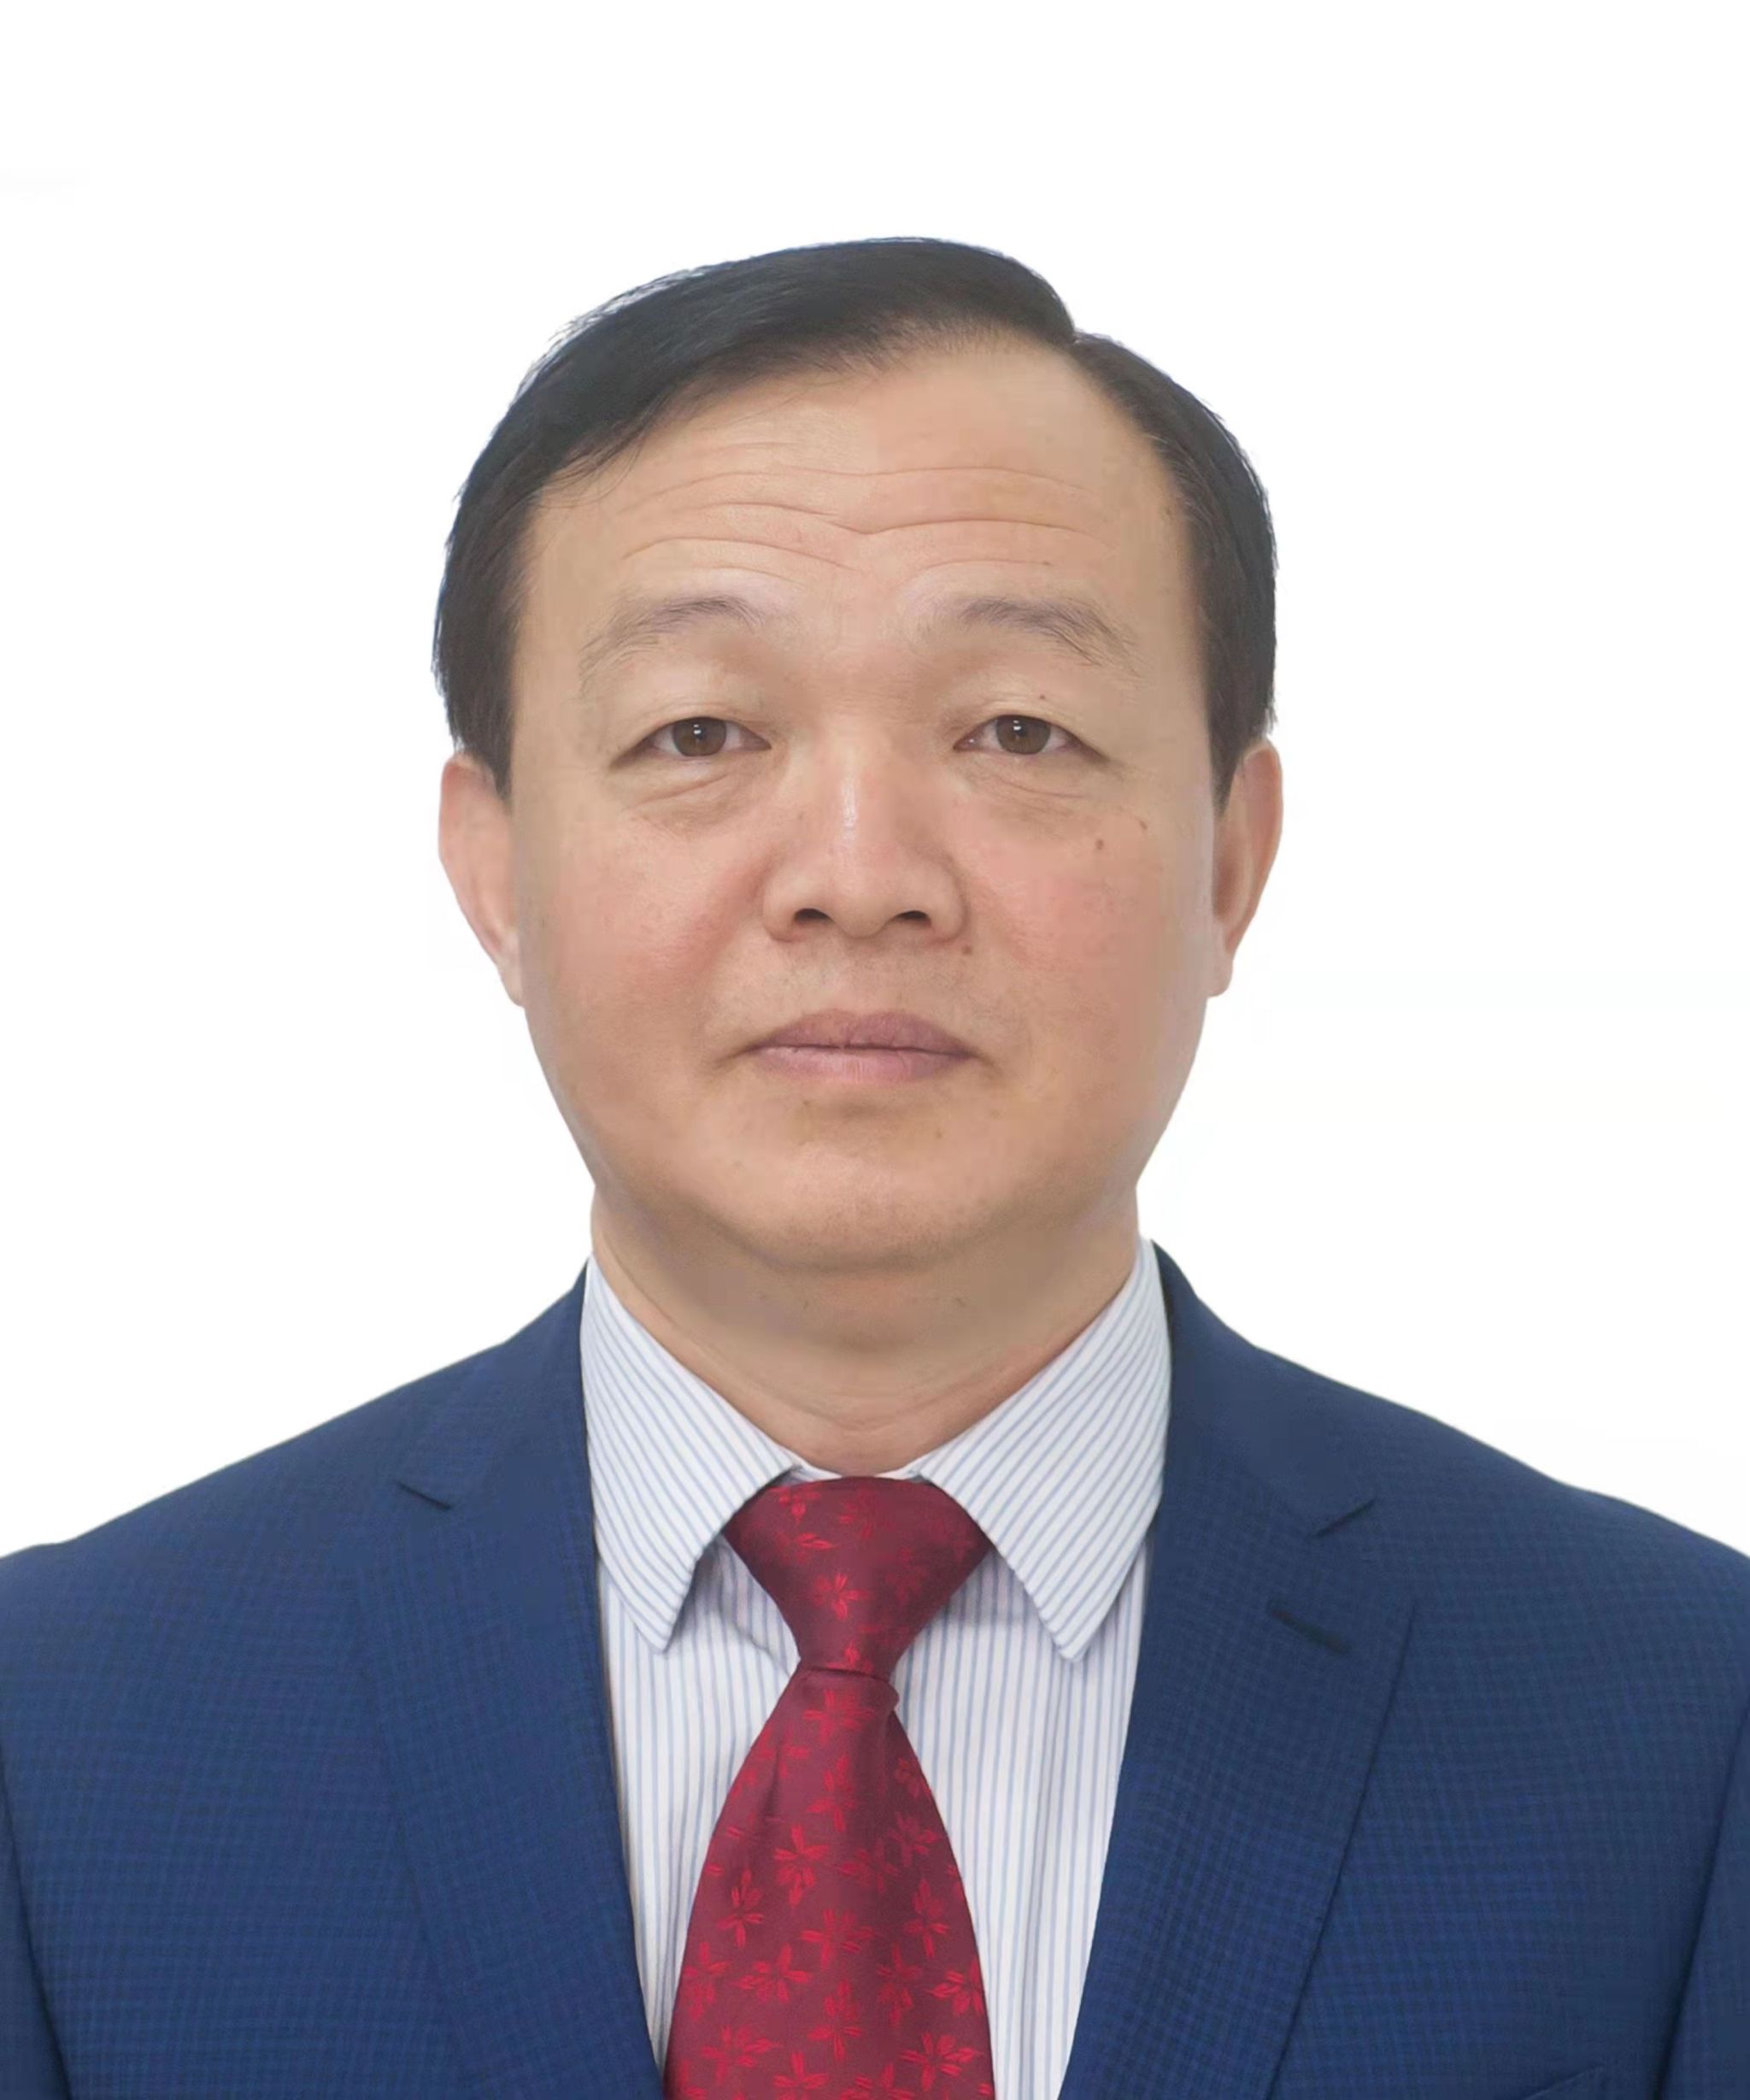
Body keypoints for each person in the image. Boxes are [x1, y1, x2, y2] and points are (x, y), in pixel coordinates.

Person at [1, 236, 1743, 2099]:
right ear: (494, 867)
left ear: (1230, 860)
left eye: (1017, 728)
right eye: (699, 730)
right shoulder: (72, 1737)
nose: (858, 872)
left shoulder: (1675, 1725)